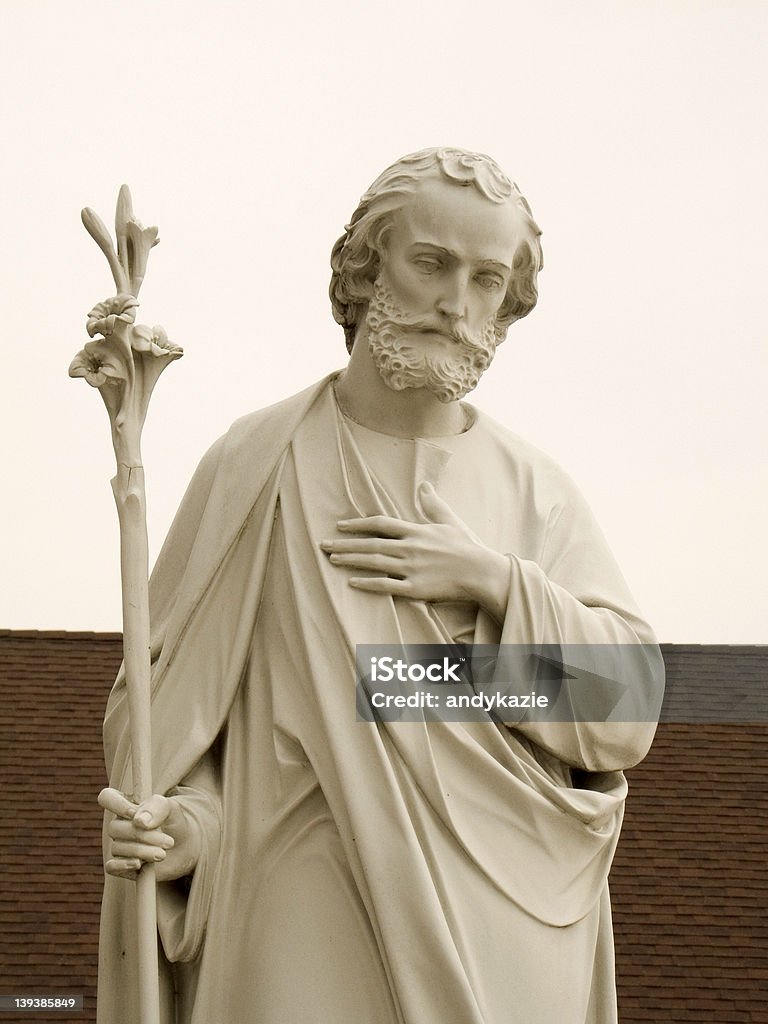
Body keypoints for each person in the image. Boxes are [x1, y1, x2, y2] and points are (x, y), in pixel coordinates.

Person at [97, 147, 664, 1024]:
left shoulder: (531, 491)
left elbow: (624, 710)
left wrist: (489, 582)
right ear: (365, 270)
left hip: (501, 916)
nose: (454, 303)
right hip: (300, 884)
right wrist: (188, 824)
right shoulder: (261, 462)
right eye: (431, 263)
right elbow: (179, 704)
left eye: (485, 279)